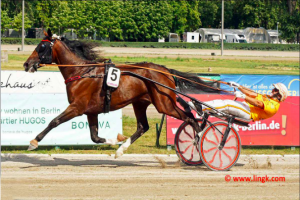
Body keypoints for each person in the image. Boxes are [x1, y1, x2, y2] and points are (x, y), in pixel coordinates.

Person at [188, 82, 288, 121]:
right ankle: (202, 106)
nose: (272, 90)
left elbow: (258, 103)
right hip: (246, 108)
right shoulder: (267, 97)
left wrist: (243, 96)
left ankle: (201, 108)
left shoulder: (274, 107)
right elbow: (252, 93)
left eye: (275, 90)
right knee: (225, 102)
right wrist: (238, 86)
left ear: (279, 95)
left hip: (249, 114)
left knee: (228, 104)